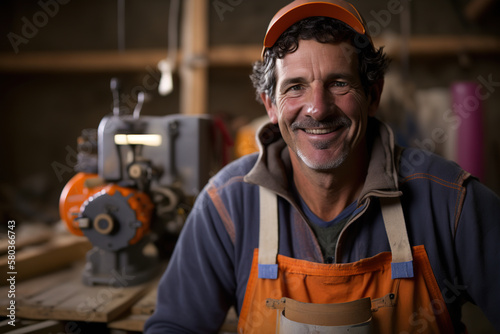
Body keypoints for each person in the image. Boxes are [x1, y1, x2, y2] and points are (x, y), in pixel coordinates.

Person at [144, 0, 500, 333]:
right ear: (270, 104)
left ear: (373, 95)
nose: (317, 108)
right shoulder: (228, 204)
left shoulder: (450, 202)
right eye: (295, 87)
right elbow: (174, 326)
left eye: (339, 83)